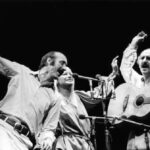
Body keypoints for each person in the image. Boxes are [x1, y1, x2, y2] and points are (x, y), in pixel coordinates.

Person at [37, 56, 118, 150]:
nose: (69, 76)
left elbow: (99, 93)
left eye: (71, 74)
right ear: (56, 80)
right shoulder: (53, 99)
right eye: (64, 74)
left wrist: (113, 73)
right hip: (65, 144)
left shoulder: (79, 96)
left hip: (84, 144)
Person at [0, 51, 68, 150]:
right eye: (62, 63)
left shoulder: (55, 97)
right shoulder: (23, 72)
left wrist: (47, 139)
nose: (65, 68)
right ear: (49, 61)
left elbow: (49, 128)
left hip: (23, 142)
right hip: (3, 128)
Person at [118, 31, 150, 150]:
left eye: (149, 58)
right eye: (142, 58)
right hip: (136, 136)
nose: (145, 60)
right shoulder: (137, 82)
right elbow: (125, 67)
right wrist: (133, 44)